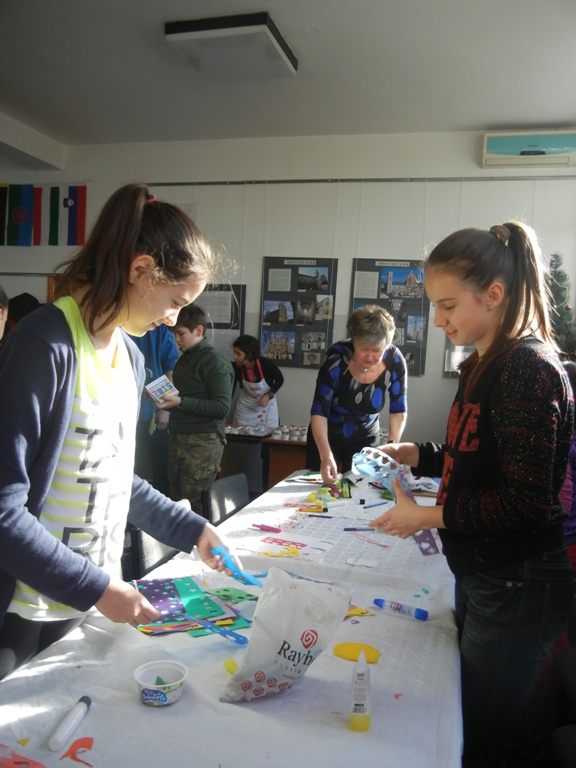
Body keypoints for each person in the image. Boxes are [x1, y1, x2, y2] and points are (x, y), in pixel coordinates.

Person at [0, 183, 237, 680]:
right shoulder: (44, 345)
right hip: (24, 613)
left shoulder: (129, 356)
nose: (172, 319)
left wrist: (192, 529)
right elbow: (4, 510)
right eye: (174, 301)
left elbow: (114, 481)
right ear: (140, 270)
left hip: (84, 603)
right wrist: (97, 588)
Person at [369, 223, 575, 767]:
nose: (438, 320)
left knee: (492, 738)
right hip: (490, 575)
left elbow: (525, 502)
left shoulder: (527, 368)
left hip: (519, 582)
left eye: (447, 305)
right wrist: (418, 454)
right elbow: (476, 454)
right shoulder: (484, 363)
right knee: (473, 721)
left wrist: (428, 516)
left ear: (494, 294)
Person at [306, 304, 407, 484]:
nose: (369, 356)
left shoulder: (395, 361)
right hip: (327, 436)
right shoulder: (336, 359)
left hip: (366, 437)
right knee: (320, 490)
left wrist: (392, 448)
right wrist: (326, 455)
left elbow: (398, 410)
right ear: (354, 341)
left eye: (377, 350)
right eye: (364, 348)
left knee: (362, 490)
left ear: (387, 345)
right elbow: (319, 412)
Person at [157, 303, 234, 512]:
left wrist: (181, 401)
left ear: (198, 330)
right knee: (177, 504)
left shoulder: (214, 362)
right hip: (178, 436)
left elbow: (221, 408)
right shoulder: (184, 360)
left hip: (203, 441)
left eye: (181, 333)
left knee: (195, 506)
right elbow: (182, 398)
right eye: (174, 334)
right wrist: (164, 400)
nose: (177, 339)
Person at [130, 324, 179, 496]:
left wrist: (166, 409)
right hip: (125, 414)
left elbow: (170, 369)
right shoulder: (119, 327)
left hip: (154, 411)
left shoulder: (160, 329)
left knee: (162, 467)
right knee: (127, 467)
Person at [231, 334, 284, 427]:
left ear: (249, 355)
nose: (234, 357)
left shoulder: (265, 364)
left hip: (266, 406)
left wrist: (269, 395)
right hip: (245, 407)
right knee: (240, 432)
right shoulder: (236, 368)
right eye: (234, 353)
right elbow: (231, 388)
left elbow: (280, 380)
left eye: (238, 354)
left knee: (269, 433)